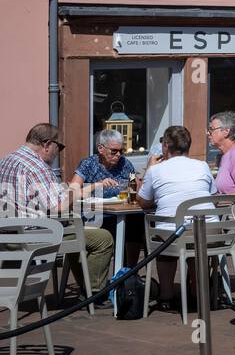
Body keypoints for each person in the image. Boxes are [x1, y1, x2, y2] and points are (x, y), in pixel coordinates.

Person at [0, 123, 115, 306]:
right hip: (35, 235)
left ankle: (87, 289)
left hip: (7, 235)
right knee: (102, 238)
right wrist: (75, 193)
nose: (58, 152)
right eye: (59, 146)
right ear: (47, 144)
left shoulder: (7, 160)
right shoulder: (36, 166)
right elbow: (58, 207)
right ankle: (94, 294)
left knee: (74, 230)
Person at [136, 125, 217, 311]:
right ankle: (199, 294)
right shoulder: (203, 166)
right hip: (210, 233)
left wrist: (149, 169)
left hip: (174, 233)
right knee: (194, 241)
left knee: (163, 238)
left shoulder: (156, 170)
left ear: (165, 146)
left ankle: (166, 296)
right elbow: (212, 194)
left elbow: (143, 202)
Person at [70, 130, 132, 197]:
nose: (118, 154)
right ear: (100, 148)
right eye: (114, 151)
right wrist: (98, 184)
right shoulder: (88, 164)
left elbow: (136, 186)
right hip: (94, 206)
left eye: (121, 151)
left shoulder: (125, 163)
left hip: (122, 206)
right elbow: (72, 193)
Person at [209, 111, 235, 195]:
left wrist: (221, 199)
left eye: (211, 129)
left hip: (232, 207)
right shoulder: (225, 154)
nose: (208, 133)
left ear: (226, 131)